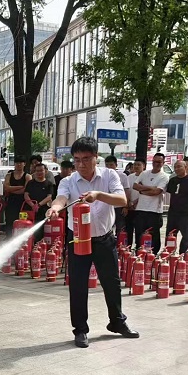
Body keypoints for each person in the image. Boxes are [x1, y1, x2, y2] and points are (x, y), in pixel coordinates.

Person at [46, 137, 138, 348]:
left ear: (96, 157)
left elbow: (122, 200)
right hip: (78, 239)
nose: (81, 164)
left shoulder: (109, 175)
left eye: (86, 159)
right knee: (78, 285)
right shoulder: (68, 181)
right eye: (77, 159)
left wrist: (98, 195)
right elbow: (61, 199)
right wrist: (55, 208)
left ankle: (117, 322)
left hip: (104, 238)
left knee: (111, 283)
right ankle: (80, 330)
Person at [132, 152, 169, 253]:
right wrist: (151, 187)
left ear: (163, 163)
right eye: (155, 161)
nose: (156, 164)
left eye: (159, 162)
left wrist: (143, 190)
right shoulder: (144, 173)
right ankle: (139, 252)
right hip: (141, 209)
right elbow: (135, 186)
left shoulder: (164, 176)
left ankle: (153, 254)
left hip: (154, 211)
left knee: (154, 235)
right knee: (139, 233)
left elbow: (156, 192)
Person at [166, 160, 188, 253]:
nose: (177, 169)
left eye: (179, 167)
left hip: (185, 213)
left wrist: (187, 204)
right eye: (175, 167)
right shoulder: (172, 180)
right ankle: (169, 252)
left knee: (187, 235)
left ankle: (185, 254)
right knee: (170, 234)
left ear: (185, 167)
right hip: (173, 212)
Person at [24, 161, 55, 241]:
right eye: (37, 171)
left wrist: (38, 205)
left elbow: (49, 197)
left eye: (41, 170)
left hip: (43, 210)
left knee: (43, 231)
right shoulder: (30, 183)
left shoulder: (49, 184)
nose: (39, 173)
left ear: (46, 171)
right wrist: (32, 205)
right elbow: (26, 195)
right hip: (31, 210)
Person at [3, 155, 30, 236]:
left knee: (22, 222)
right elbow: (6, 188)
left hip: (23, 202)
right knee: (9, 221)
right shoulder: (9, 175)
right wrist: (20, 187)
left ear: (24, 164)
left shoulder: (27, 176)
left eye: (21, 163)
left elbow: (26, 190)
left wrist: (12, 189)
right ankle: (9, 238)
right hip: (11, 201)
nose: (19, 164)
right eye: (17, 163)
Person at [105, 156, 130, 235]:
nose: (109, 167)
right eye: (107, 165)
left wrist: (126, 206)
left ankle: (120, 242)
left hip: (119, 206)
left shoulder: (122, 176)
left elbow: (126, 191)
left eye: (111, 165)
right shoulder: (103, 176)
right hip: (107, 206)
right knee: (107, 228)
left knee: (120, 228)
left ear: (116, 165)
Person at [125, 159, 145, 247]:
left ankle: (138, 248)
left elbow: (144, 192)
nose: (136, 166)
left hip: (140, 207)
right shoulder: (129, 177)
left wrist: (135, 202)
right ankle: (128, 247)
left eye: (139, 165)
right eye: (135, 164)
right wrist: (128, 202)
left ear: (144, 166)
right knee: (128, 229)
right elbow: (127, 190)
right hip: (130, 206)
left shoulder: (145, 176)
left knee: (139, 230)